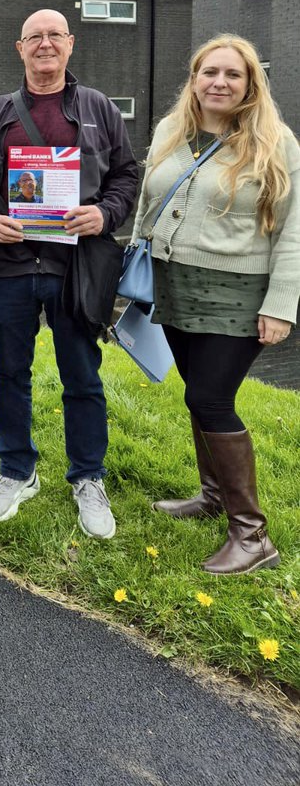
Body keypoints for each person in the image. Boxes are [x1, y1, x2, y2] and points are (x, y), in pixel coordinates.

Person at [0, 9, 138, 538]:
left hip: (76, 269)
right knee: (8, 373)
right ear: (19, 49)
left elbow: (127, 176)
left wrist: (105, 214)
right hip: (10, 267)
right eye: (34, 37)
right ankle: (17, 469)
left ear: (71, 44)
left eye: (54, 35)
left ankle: (87, 477)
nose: (45, 44)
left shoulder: (99, 109)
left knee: (82, 378)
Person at [133, 34, 299, 573]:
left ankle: (252, 537)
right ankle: (214, 496)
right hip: (172, 283)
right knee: (196, 396)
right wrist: (136, 263)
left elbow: (294, 233)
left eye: (233, 74)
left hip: (238, 293)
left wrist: (281, 305)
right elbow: (147, 202)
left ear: (251, 84)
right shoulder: (170, 130)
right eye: (210, 72)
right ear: (195, 78)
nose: (219, 83)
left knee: (212, 399)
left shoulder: (277, 143)